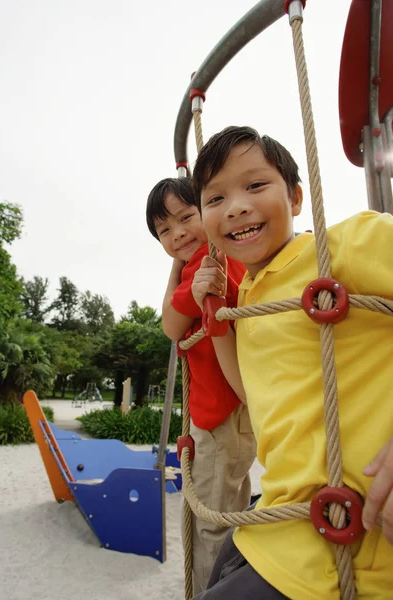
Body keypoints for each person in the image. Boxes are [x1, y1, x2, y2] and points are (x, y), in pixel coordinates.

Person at [190, 125, 393, 599]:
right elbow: (252, 394)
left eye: (256, 185)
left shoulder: (343, 246)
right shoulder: (254, 297)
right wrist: (219, 314)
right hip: (277, 523)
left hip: (347, 546)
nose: (237, 205)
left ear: (298, 197)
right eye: (216, 198)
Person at [146, 176, 257, 595]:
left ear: (206, 211)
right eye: (164, 231)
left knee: (211, 524)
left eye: (186, 217)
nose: (177, 234)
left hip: (218, 417)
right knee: (225, 512)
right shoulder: (216, 261)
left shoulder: (209, 268)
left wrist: (182, 273)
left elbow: (170, 327)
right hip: (231, 414)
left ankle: (213, 592)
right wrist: (178, 268)